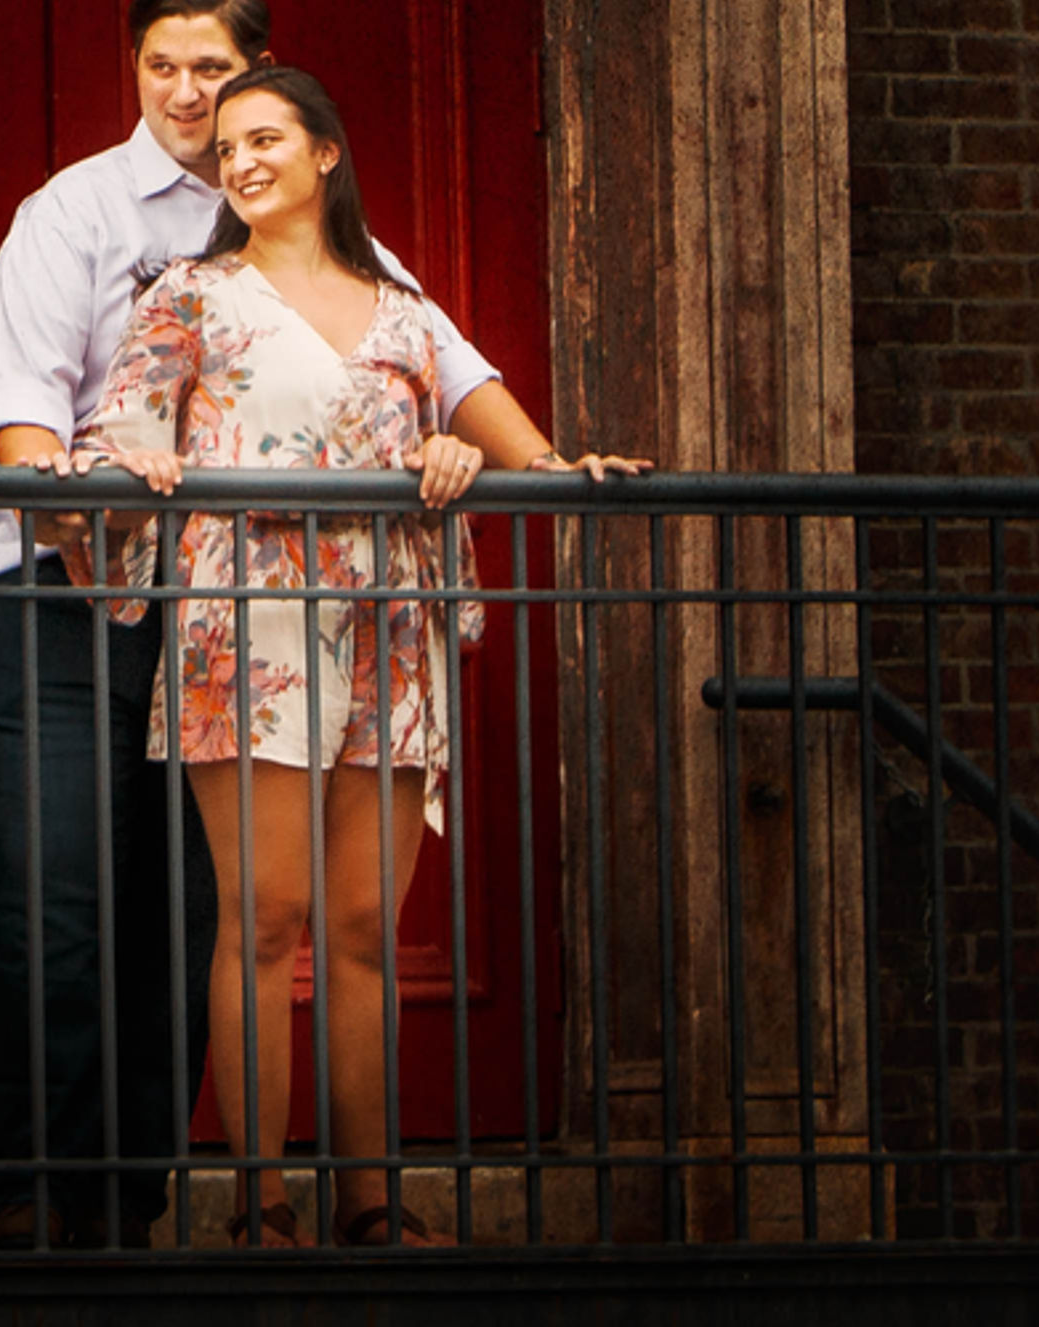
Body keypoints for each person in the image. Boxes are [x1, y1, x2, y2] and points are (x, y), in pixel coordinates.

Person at [78, 62, 632, 1251]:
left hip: (385, 631)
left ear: (326, 151)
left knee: (364, 923)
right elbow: (113, 438)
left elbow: (493, 429)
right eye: (225, 150)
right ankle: (258, 1201)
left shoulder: (401, 308)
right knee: (264, 919)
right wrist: (139, 469)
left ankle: (371, 1196)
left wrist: (491, 464)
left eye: (265, 138)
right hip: (247, 623)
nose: (241, 164)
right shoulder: (189, 295)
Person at [0, 0, 267, 1252]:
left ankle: (128, 1204)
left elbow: (404, 347)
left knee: (181, 910)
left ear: (251, 70)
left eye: (210, 67)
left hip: (209, 614)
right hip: (51, 597)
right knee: (57, 899)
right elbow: (21, 412)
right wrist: (87, 523)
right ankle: (30, 1197)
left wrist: (520, 452)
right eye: (162, 65)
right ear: (133, 70)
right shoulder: (71, 212)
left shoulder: (288, 215)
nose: (187, 91)